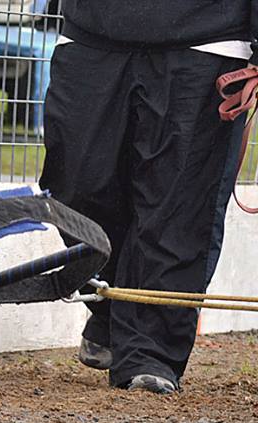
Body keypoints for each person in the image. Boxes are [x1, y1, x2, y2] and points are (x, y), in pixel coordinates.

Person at [39, 1, 257, 394]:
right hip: (91, 31)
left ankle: (149, 351)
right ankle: (111, 307)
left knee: (178, 209)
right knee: (77, 186)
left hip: (208, 39)